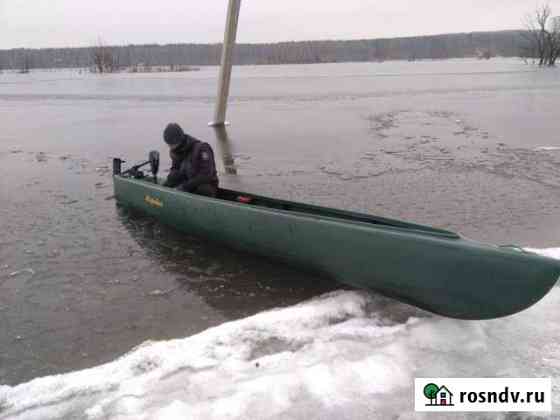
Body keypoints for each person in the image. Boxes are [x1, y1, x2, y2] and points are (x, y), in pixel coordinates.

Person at [162, 123, 219, 197]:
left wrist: (185, 187)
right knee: (172, 178)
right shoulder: (175, 151)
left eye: (171, 144)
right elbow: (175, 168)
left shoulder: (202, 149)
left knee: (203, 189)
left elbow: (206, 175)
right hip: (186, 181)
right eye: (168, 144)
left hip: (205, 184)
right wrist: (169, 180)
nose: (170, 147)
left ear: (179, 140)